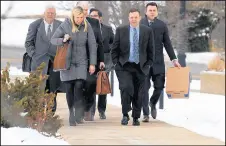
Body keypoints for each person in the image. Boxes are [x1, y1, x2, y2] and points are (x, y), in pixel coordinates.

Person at [50, 6, 97, 126]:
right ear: (73, 16)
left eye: (82, 17)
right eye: (78, 17)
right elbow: (53, 40)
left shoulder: (87, 26)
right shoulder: (65, 25)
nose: (80, 20)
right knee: (69, 89)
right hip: (67, 62)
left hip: (81, 61)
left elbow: (92, 45)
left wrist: (92, 63)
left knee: (79, 85)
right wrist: (63, 40)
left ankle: (78, 112)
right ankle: (71, 112)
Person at [111, 8, 155, 126]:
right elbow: (114, 49)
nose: (133, 19)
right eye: (131, 17)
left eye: (136, 17)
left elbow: (151, 50)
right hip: (124, 65)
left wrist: (148, 64)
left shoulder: (147, 31)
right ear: (128, 18)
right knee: (126, 87)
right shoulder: (121, 30)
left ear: (139, 18)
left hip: (141, 66)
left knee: (138, 93)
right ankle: (125, 114)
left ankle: (136, 116)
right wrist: (116, 63)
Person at [140, 2, 181, 122]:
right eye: (150, 10)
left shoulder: (162, 25)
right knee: (144, 87)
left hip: (158, 62)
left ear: (157, 12)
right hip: (144, 62)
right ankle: (145, 113)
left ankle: (152, 103)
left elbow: (167, 43)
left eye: (154, 10)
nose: (152, 12)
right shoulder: (139, 23)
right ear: (146, 11)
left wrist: (174, 59)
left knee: (159, 86)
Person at [24, 5, 62, 114]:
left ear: (55, 15)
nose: (50, 15)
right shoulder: (35, 25)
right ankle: (38, 113)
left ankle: (51, 113)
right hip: (39, 62)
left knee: (52, 88)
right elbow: (28, 43)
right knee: (39, 88)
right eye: (48, 12)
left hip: (55, 62)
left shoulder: (61, 25)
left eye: (52, 13)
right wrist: (33, 54)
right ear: (44, 14)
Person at [76, 1, 105, 121]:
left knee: (91, 84)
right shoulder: (72, 22)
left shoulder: (94, 22)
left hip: (92, 60)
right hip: (77, 60)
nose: (85, 12)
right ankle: (78, 111)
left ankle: (87, 107)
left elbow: (100, 42)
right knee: (78, 85)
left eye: (87, 10)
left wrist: (101, 60)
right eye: (83, 9)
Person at [89, 8, 114, 119]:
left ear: (100, 18)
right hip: (91, 61)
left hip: (105, 62)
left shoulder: (108, 29)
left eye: (95, 15)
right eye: (91, 15)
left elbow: (113, 43)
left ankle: (102, 110)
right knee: (91, 86)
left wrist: (111, 58)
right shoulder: (86, 29)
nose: (93, 17)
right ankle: (91, 111)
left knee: (102, 86)